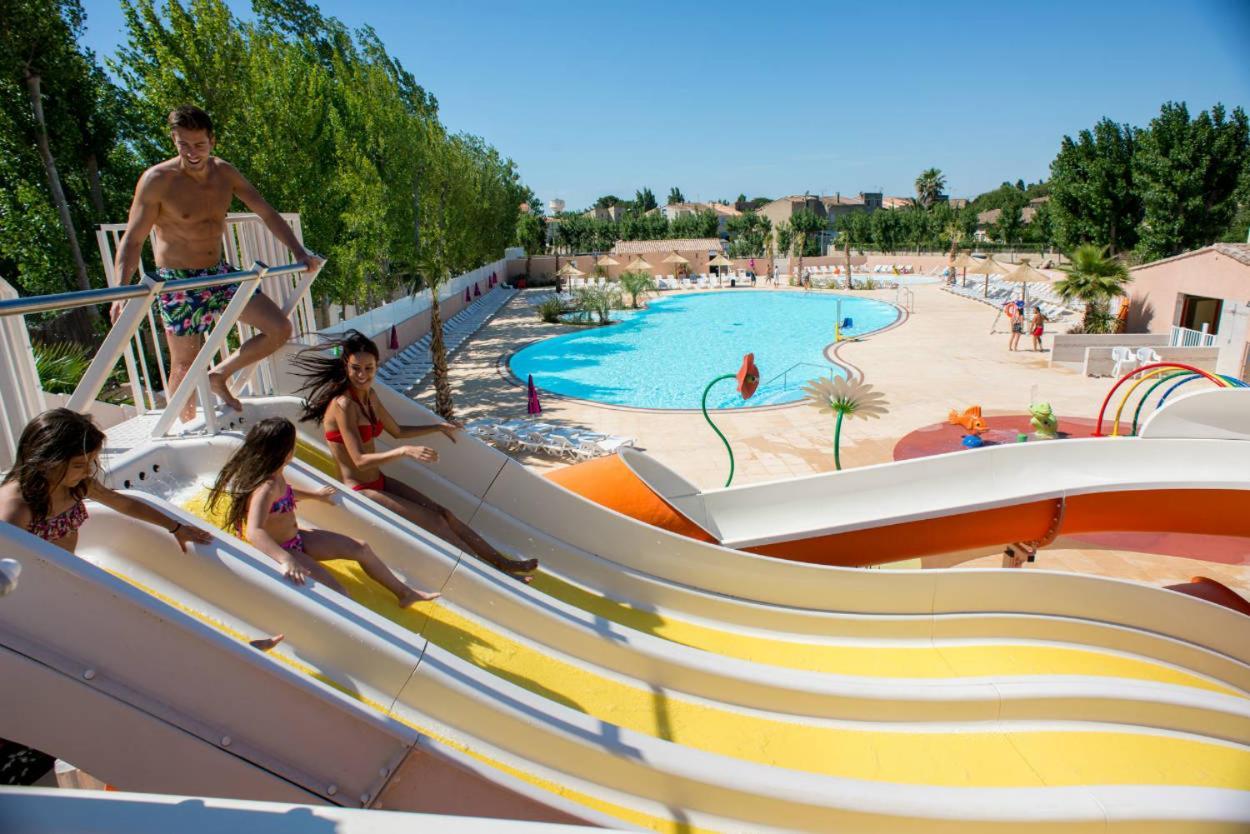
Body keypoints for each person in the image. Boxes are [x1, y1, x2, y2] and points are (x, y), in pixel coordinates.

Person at [109, 105, 325, 422]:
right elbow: (133, 240)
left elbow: (266, 212)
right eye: (184, 144)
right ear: (174, 140)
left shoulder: (225, 173)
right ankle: (182, 427)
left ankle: (219, 376)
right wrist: (120, 291)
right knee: (184, 364)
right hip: (179, 282)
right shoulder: (158, 180)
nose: (192, 152)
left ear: (212, 140)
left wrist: (299, 252)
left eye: (199, 144)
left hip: (219, 273)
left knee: (279, 329)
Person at [293, 331, 538, 582]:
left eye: (369, 368)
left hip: (379, 479)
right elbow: (358, 460)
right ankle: (498, 578)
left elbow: (397, 431)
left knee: (445, 514)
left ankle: (503, 563)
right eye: (356, 368)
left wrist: (438, 427)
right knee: (437, 524)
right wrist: (404, 452)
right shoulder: (343, 405)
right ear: (346, 365)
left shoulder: (371, 397)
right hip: (359, 488)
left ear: (377, 365)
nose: (362, 375)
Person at [206, 417, 439, 607]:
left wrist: (315, 495)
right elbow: (255, 532)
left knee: (361, 548)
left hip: (296, 539)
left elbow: (284, 496)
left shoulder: (276, 474)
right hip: (284, 550)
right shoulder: (265, 487)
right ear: (284, 450)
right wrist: (286, 560)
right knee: (339, 593)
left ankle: (405, 593)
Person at [1, 409, 212, 555]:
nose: (87, 470)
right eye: (78, 465)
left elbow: (124, 504)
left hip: (65, 572)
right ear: (46, 462)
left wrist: (175, 527)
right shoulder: (17, 508)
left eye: (92, 462)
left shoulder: (77, 486)